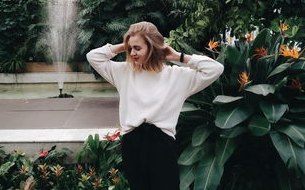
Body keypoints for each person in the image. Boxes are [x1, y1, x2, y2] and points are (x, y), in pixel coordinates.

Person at [86, 21, 224, 190]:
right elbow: (93, 57)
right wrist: (125, 45)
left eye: (138, 48)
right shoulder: (124, 72)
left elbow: (215, 69)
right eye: (130, 49)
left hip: (162, 144)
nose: (132, 53)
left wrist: (177, 57)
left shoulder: (177, 76)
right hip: (133, 144)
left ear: (152, 47)